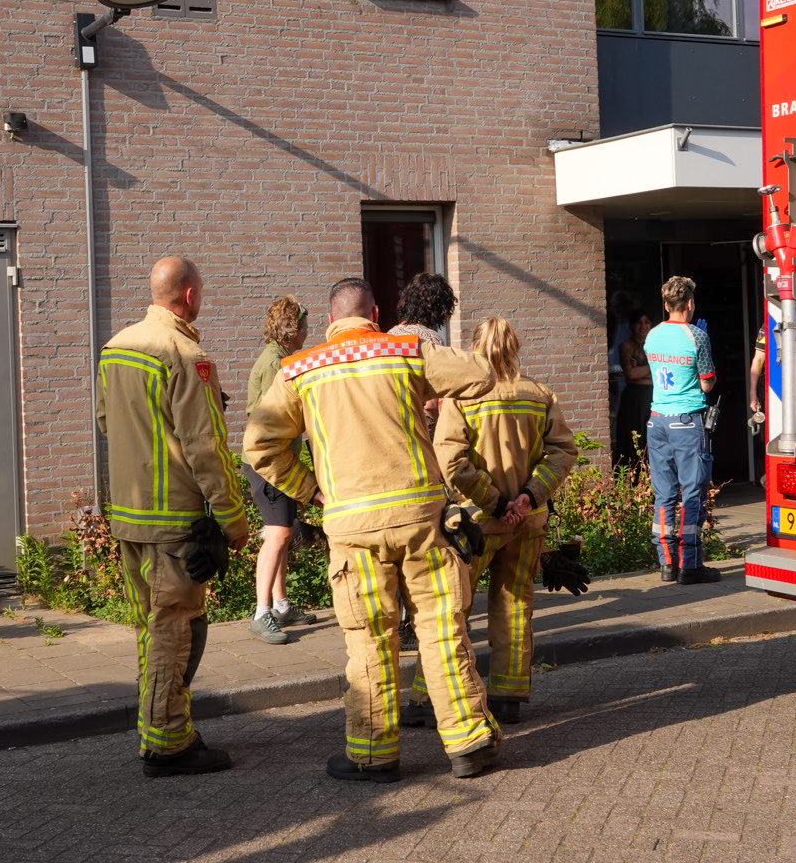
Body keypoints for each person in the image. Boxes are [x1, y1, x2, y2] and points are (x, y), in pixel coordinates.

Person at [244, 278, 503, 783]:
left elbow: (260, 443)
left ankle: (372, 754)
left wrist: (311, 490)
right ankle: (469, 741)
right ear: (377, 312)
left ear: (328, 321)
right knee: (440, 628)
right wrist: (426, 365)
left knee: (368, 638)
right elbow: (482, 375)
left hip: (351, 524)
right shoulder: (405, 351)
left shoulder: (300, 369)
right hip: (420, 519)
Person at [98, 256, 250, 777]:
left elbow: (104, 420)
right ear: (189, 296)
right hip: (175, 524)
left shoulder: (117, 347)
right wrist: (233, 520)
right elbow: (206, 448)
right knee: (175, 629)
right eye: (201, 292)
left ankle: (160, 727)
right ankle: (168, 745)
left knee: (150, 626)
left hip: (128, 516)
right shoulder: (186, 354)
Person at [402, 316, 577, 726]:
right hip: (528, 522)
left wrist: (496, 504)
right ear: (515, 347)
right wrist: (528, 497)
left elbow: (451, 461)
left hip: (476, 525)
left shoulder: (461, 399)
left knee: (450, 610)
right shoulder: (540, 394)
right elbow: (562, 452)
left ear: (476, 349)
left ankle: (427, 701)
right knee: (515, 604)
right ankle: (508, 695)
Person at [386, 271, 458, 653]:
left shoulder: (391, 335)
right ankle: (417, 620)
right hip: (420, 441)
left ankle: (395, 617)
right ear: (440, 308)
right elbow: (432, 400)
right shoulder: (430, 341)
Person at [245, 295, 318, 645]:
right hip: (269, 465)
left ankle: (281, 605)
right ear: (293, 328)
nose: (307, 331)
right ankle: (261, 614)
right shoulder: (277, 364)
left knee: (285, 530)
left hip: (278, 462)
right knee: (277, 535)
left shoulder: (280, 358)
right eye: (304, 324)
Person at [643, 275, 722, 585]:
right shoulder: (697, 336)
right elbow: (706, 382)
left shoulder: (651, 336)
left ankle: (666, 564)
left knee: (663, 494)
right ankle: (690, 565)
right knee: (692, 493)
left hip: (657, 419)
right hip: (687, 421)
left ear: (666, 305)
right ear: (690, 304)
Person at [612, 308, 655, 468]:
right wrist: (652, 367)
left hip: (653, 396)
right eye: (639, 322)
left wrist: (643, 370)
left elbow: (661, 374)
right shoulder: (627, 346)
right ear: (632, 325)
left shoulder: (656, 345)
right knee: (633, 437)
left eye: (646, 322)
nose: (642, 326)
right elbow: (630, 374)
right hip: (635, 398)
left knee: (650, 437)